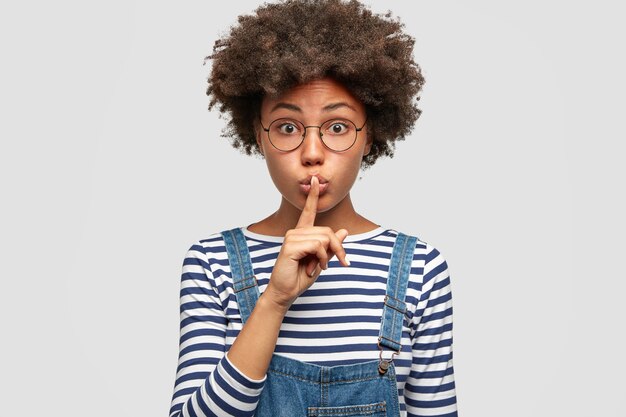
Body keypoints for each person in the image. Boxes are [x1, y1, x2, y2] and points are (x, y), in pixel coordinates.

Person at [169, 1, 458, 416]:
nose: (311, 153)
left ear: (369, 135)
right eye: (287, 127)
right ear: (258, 134)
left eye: (337, 127)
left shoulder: (421, 269)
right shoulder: (211, 263)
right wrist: (274, 300)